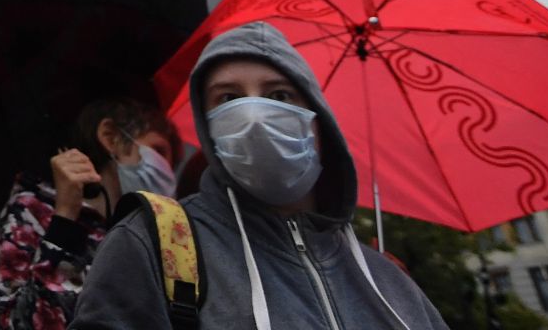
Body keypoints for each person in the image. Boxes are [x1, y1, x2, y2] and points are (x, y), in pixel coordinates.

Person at [73, 22, 450, 330]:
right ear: (208, 130)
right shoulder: (148, 245)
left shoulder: (392, 284)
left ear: (318, 121)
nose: (254, 116)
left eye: (279, 96)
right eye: (228, 99)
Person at [0, 97, 179, 329]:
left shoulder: (152, 241)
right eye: (158, 150)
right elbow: (21, 324)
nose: (167, 170)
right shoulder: (34, 211)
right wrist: (64, 221)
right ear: (110, 137)